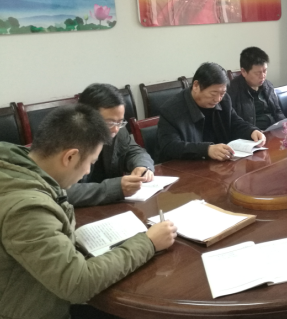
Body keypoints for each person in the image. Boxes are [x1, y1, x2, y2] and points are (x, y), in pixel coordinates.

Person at [0, 105, 176, 319]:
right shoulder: (27, 209)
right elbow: (77, 283)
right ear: (70, 157)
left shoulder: (20, 166)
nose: (88, 171)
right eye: (90, 162)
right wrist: (148, 243)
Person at [66, 83, 155, 207]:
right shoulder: (64, 141)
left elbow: (134, 151)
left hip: (112, 207)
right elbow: (62, 192)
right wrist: (114, 188)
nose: (115, 129)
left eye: (120, 122)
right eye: (109, 123)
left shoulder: (117, 128)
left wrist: (142, 166)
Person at [157, 62, 265, 163]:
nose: (218, 99)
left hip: (218, 165)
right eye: (213, 93)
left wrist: (251, 131)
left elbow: (235, 122)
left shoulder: (224, 100)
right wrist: (207, 150)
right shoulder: (171, 110)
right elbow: (170, 146)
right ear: (196, 86)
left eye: (222, 93)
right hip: (185, 168)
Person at [228, 47, 285, 130]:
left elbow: (277, 111)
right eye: (257, 73)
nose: (262, 76)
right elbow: (234, 123)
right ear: (243, 72)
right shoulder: (232, 91)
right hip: (252, 134)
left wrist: (285, 126)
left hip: (273, 130)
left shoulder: (268, 85)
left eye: (265, 71)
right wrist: (253, 132)